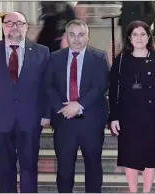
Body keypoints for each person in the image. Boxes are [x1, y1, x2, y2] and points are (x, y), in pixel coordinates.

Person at [0, 12, 50, 193]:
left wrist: (47, 113)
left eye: (19, 23)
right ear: (3, 27)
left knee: (29, 165)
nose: (14, 26)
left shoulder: (42, 51)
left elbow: (47, 86)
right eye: (9, 23)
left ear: (26, 27)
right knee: (4, 165)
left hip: (30, 118)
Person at [45, 19, 109, 193]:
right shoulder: (54, 57)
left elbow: (101, 85)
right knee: (64, 167)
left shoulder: (99, 56)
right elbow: (48, 85)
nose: (77, 39)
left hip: (91, 121)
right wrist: (62, 107)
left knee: (93, 165)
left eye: (81, 35)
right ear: (66, 36)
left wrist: (79, 104)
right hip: (64, 121)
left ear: (87, 37)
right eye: (72, 34)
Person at [108, 21, 155, 193]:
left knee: (151, 158)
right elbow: (113, 91)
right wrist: (113, 117)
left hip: (152, 117)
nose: (139, 38)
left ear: (148, 36)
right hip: (128, 118)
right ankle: (133, 191)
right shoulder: (121, 60)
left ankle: (147, 191)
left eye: (143, 34)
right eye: (135, 34)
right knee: (130, 159)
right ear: (129, 37)